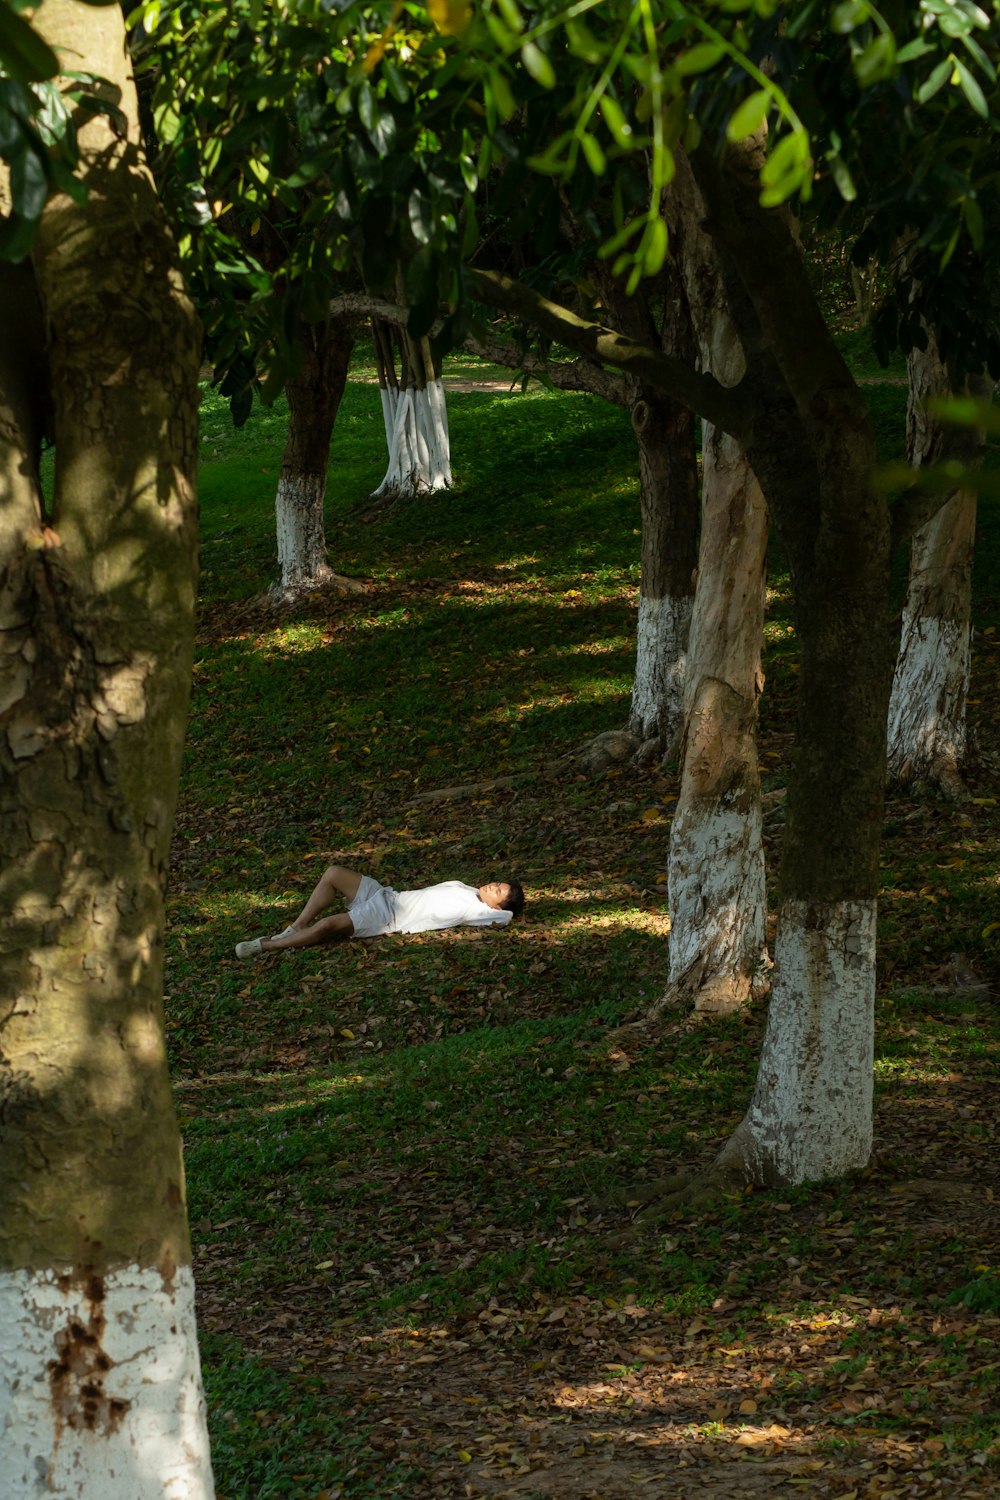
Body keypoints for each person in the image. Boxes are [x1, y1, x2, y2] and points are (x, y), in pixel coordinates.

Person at [235, 863, 526, 960]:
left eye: (498, 891)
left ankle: (266, 945)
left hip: (388, 917)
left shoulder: (479, 911)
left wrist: (505, 909)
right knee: (334, 873)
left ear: (497, 906)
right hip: (387, 896)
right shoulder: (465, 889)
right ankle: (297, 927)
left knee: (327, 925)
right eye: (497, 883)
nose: (492, 886)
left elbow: (507, 918)